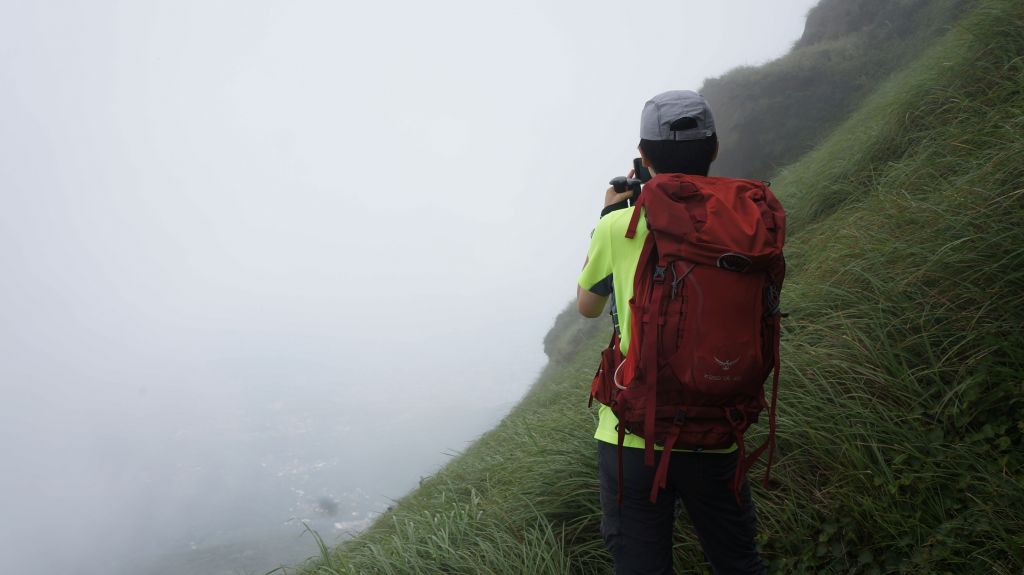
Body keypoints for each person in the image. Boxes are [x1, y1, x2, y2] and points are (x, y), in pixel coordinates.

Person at [577, 90, 768, 574]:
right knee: (737, 561)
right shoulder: (749, 223)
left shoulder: (619, 225)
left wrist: (609, 216)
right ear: (715, 149)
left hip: (632, 432)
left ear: (643, 158)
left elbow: (588, 307)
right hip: (718, 422)